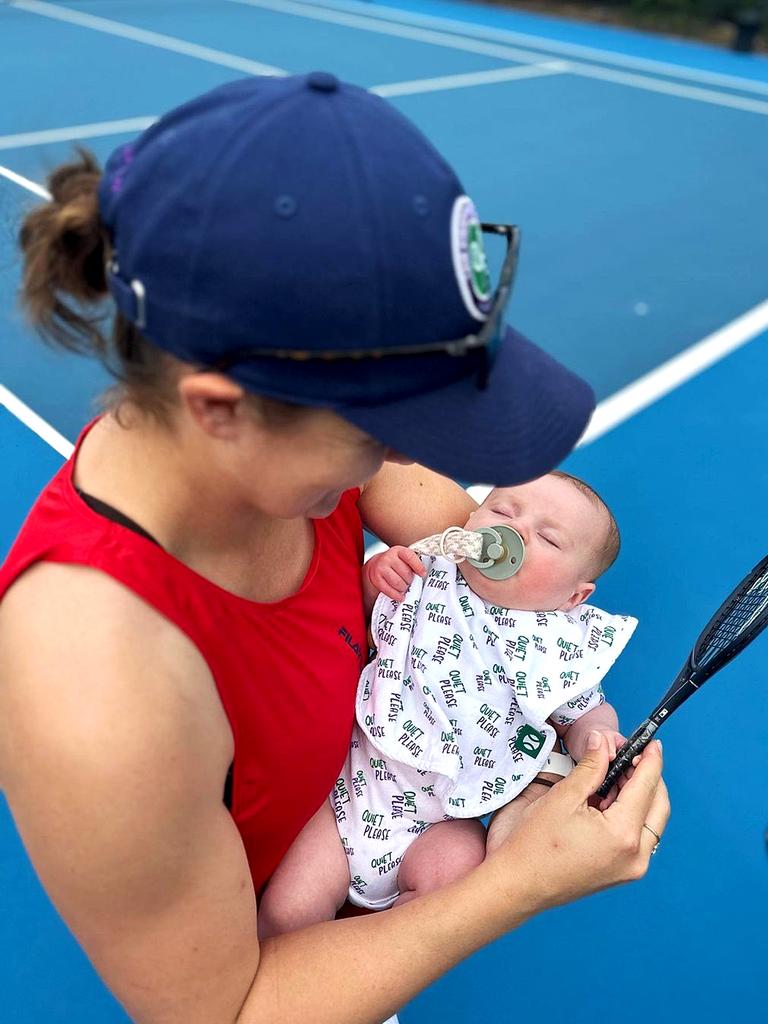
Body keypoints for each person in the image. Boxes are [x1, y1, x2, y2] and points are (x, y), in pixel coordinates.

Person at [0, 72, 668, 1024]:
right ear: (221, 411)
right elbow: (226, 1011)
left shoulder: (304, 458)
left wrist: (548, 765)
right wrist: (516, 883)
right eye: (383, 428)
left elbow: (491, 594)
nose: (415, 458)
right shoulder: (93, 689)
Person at [258, 471, 636, 932]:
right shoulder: (427, 571)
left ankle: (375, 969)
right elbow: (357, 618)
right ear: (471, 520)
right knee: (287, 912)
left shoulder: (558, 647)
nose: (515, 530)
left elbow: (585, 708)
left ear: (575, 596)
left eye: (547, 538)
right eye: (501, 510)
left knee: (455, 877)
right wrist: (376, 579)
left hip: (443, 817)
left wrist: (597, 738)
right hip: (348, 787)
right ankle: (300, 974)